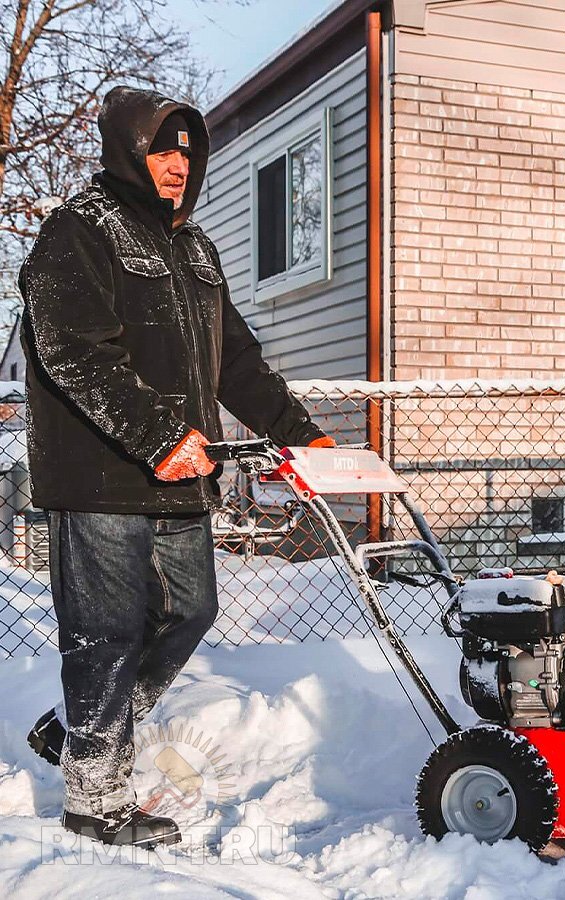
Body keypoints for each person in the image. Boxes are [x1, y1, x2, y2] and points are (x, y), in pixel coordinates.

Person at [18, 86, 334, 848]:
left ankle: (83, 736)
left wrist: (304, 436)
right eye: (163, 150)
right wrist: (158, 434)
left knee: (190, 611)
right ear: (128, 148)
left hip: (183, 477)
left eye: (189, 154)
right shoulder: (78, 231)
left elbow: (237, 362)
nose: (176, 167)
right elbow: (74, 351)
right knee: (106, 632)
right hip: (102, 477)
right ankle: (95, 800)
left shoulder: (196, 249)